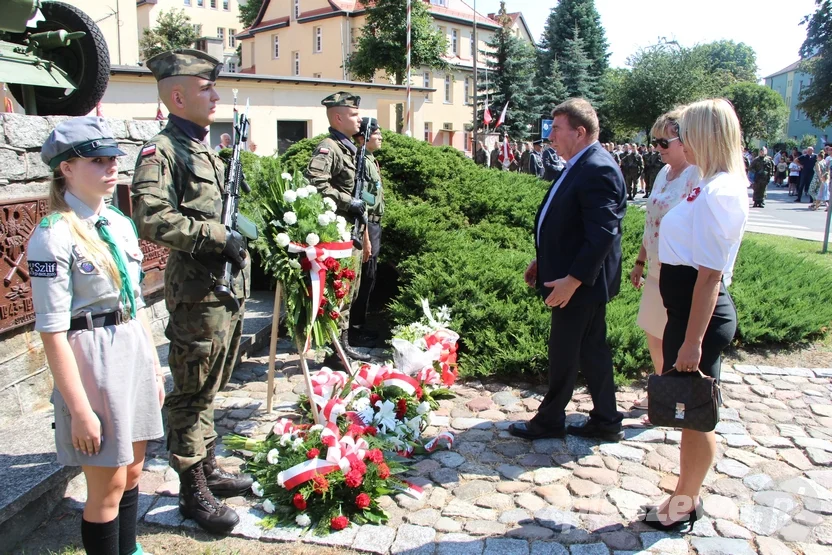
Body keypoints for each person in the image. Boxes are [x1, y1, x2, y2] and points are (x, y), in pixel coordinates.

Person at [131, 49, 253, 534]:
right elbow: (151, 217)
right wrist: (218, 236)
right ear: (177, 95)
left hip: (221, 292)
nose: (216, 96)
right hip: (196, 294)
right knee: (189, 393)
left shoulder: (201, 147)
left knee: (208, 388)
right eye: (207, 88)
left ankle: (207, 468)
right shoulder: (161, 151)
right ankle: (191, 493)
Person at [31, 117, 164, 555]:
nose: (111, 168)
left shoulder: (119, 223)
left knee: (131, 472)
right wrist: (80, 410)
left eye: (113, 159)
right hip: (93, 360)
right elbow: (52, 331)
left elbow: (137, 302)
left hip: (130, 348)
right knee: (105, 485)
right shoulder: (53, 235)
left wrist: (152, 366)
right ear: (66, 168)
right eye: (97, 160)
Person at [643, 98, 748, 531]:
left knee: (696, 412)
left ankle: (685, 502)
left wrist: (691, 341)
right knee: (690, 413)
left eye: (685, 132)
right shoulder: (706, 182)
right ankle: (686, 493)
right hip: (684, 308)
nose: (680, 141)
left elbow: (709, 276)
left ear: (705, 135)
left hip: (696, 314)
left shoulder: (720, 191)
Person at [509, 98, 626, 442]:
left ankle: (550, 420)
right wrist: (542, 260)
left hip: (580, 283)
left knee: (565, 351)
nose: (550, 136)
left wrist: (572, 280)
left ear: (579, 131)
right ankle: (606, 419)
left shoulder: (597, 167)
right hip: (571, 276)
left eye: (556, 129)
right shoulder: (580, 163)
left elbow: (603, 233)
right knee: (592, 350)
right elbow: (570, 225)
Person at [629, 110, 699, 418]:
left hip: (680, 270)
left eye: (664, 141)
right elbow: (651, 222)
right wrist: (640, 262)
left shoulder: (694, 175)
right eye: (655, 141)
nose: (657, 148)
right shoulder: (662, 173)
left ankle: (673, 400)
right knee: (653, 335)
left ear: (685, 141)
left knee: (672, 338)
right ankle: (662, 392)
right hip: (657, 267)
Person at [303, 91, 372, 363]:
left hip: (351, 231)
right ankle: (336, 352)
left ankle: (342, 346)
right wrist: (347, 201)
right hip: (338, 233)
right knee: (340, 290)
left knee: (350, 290)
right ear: (339, 117)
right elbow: (315, 182)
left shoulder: (349, 148)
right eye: (354, 114)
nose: (359, 119)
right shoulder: (329, 148)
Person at [350, 117, 384, 345]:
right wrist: (364, 235)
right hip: (366, 225)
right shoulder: (358, 160)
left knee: (370, 277)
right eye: (376, 134)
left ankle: (359, 325)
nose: (381, 137)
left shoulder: (370, 159)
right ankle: (353, 330)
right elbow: (359, 199)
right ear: (363, 138)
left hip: (374, 224)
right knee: (363, 278)